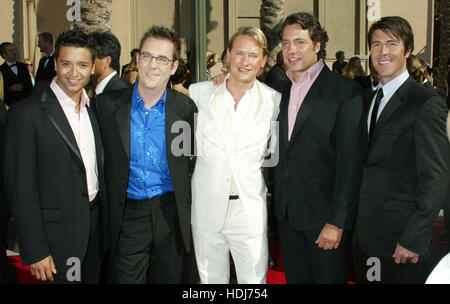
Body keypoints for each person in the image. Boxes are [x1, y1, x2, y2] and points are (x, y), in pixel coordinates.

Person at [95, 25, 198, 284]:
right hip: (128, 215)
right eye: (148, 56)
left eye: (162, 59)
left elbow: (191, 160)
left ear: (173, 67)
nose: (153, 65)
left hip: (170, 213)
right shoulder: (106, 107)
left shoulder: (185, 109)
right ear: (137, 59)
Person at [3, 29, 108, 284]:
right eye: (66, 64)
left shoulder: (93, 109)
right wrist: (35, 249)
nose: (74, 73)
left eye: (82, 65)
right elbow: (20, 187)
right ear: (55, 64)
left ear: (93, 67)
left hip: (95, 232)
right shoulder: (26, 113)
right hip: (55, 238)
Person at [352, 16, 450, 284]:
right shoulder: (368, 99)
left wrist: (413, 239)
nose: (383, 52)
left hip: (400, 243)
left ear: (407, 50)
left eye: (392, 44)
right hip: (366, 238)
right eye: (376, 44)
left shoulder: (425, 103)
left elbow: (437, 177)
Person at [273, 12, 365, 284]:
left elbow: (351, 165)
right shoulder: (277, 91)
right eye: (286, 42)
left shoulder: (345, 92)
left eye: (300, 42)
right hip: (287, 216)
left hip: (325, 221)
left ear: (317, 46)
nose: (291, 50)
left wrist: (337, 222)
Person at [189, 26, 280, 284]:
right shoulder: (199, 94)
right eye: (239, 53)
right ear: (227, 55)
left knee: (253, 283)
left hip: (249, 210)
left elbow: (274, 153)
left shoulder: (274, 101)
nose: (245, 61)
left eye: (253, 55)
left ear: (263, 61)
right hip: (206, 209)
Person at [89, 30, 127, 97]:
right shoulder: (94, 89)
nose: (86, 62)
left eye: (91, 58)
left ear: (107, 61)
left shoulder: (118, 93)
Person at [0, 42, 33, 106]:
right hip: (10, 104)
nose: (14, 52)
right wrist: (10, 88)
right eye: (10, 51)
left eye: (14, 50)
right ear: (4, 55)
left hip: (25, 103)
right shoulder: (1, 70)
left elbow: (29, 86)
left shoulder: (23, 66)